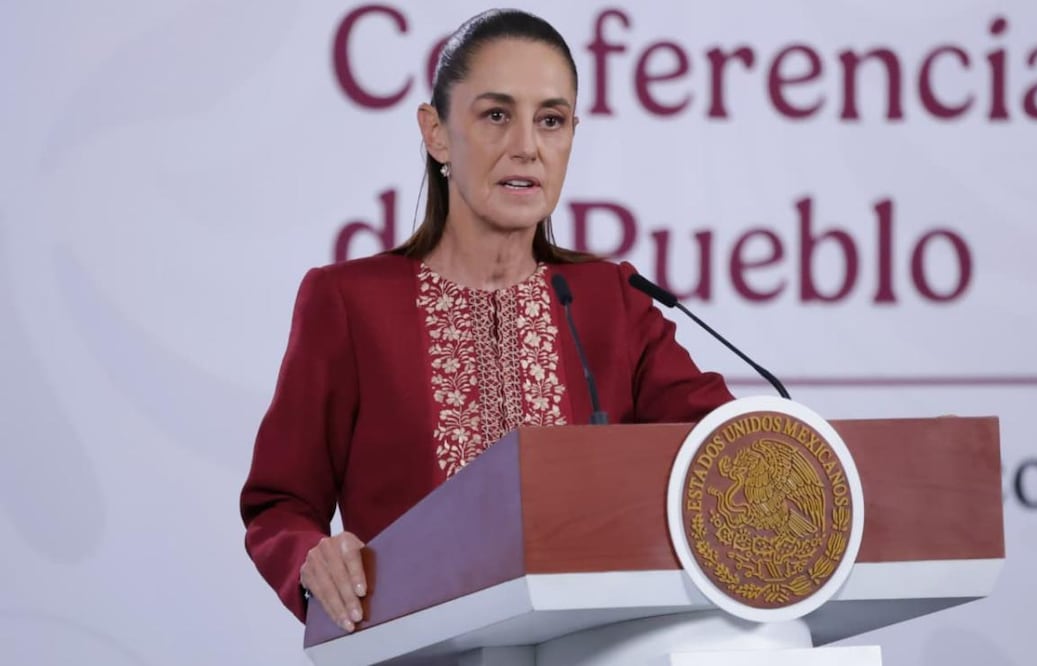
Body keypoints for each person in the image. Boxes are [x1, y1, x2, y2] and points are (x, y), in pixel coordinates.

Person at [239, 8, 735, 635]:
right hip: (412, 647)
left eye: (551, 121)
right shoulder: (349, 302)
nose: (526, 145)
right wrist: (310, 559)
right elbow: (279, 503)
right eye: (496, 115)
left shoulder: (612, 300)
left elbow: (725, 446)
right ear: (437, 132)